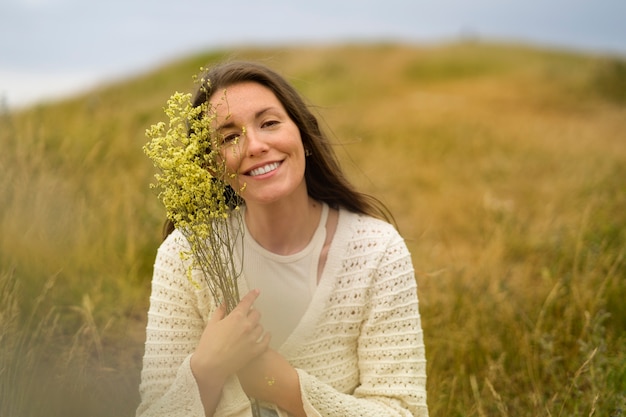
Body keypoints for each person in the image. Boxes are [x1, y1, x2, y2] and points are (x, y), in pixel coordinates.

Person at [136, 61, 428, 417]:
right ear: (212, 166)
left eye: (269, 123)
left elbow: (403, 411)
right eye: (229, 137)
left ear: (303, 136)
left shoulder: (376, 251)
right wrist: (207, 370)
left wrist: (287, 387)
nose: (255, 145)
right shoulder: (186, 254)